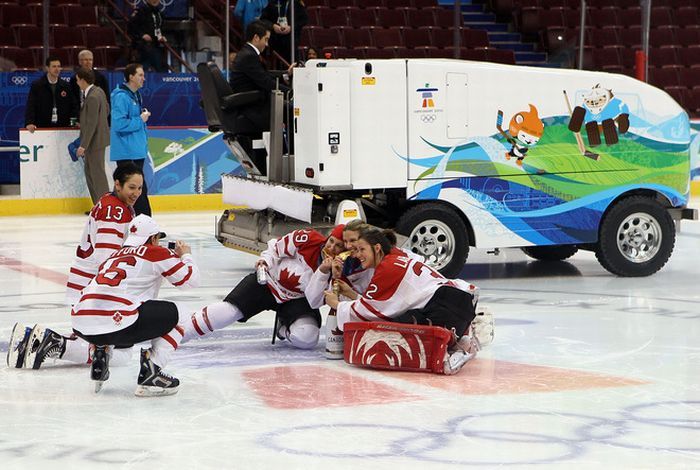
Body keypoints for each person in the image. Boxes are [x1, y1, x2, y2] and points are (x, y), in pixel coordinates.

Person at [7, 164, 144, 371]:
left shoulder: (110, 202)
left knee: (98, 342)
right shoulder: (115, 210)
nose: (136, 193)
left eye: (140, 188)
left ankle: (40, 341)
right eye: (132, 187)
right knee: (119, 355)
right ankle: (53, 343)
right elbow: (106, 258)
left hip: (86, 282)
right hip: (94, 285)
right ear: (118, 184)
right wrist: (110, 291)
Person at [71, 214, 200, 396]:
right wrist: (186, 255)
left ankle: (101, 352)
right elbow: (191, 281)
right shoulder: (155, 252)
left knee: (119, 321)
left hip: (81, 323)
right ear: (153, 238)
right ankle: (152, 371)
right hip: (116, 321)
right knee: (182, 314)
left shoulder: (112, 257)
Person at [324, 227, 481, 374]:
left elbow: (369, 312)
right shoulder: (394, 259)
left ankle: (456, 349)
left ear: (377, 248)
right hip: (456, 302)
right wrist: (352, 294)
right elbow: (390, 304)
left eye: (361, 249)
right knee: (395, 320)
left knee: (384, 332)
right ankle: (462, 335)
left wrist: (337, 305)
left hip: (446, 308)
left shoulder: (387, 268)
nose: (357, 255)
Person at [181, 225, 346, 350]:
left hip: (298, 299)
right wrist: (266, 261)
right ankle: (179, 333)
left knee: (307, 339)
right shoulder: (307, 238)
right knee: (229, 311)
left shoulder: (341, 270)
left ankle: (283, 329)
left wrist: (324, 272)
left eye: (339, 246)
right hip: (267, 283)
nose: (331, 248)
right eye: (331, 241)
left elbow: (314, 300)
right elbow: (275, 248)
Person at [229, 20, 294, 133]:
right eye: (266, 39)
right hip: (252, 108)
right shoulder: (249, 56)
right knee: (291, 111)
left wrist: (286, 73)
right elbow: (266, 82)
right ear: (256, 38)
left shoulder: (247, 53)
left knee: (286, 107)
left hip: (250, 104)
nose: (267, 44)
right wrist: (291, 93)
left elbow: (263, 74)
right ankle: (292, 149)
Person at [111, 63, 152, 216]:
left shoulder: (134, 95)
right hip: (127, 151)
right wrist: (140, 119)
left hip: (135, 150)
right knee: (136, 189)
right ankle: (146, 226)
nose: (144, 78)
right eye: (140, 75)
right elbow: (119, 124)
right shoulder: (121, 97)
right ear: (131, 77)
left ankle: (142, 224)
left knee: (138, 189)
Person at [75, 68, 111, 205]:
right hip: (97, 140)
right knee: (91, 173)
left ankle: (105, 206)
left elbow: (91, 123)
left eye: (78, 80)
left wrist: (83, 145)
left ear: (83, 80)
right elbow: (106, 109)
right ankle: (98, 205)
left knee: (97, 175)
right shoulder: (99, 91)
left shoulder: (92, 97)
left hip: (94, 142)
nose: (77, 83)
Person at [24, 56, 78, 133]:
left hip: (63, 126)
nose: (57, 69)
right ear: (47, 68)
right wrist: (29, 122)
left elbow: (73, 105)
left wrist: (74, 121)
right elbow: (31, 105)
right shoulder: (37, 85)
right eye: (54, 66)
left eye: (59, 66)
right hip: (43, 126)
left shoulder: (66, 86)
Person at [127, 0, 169, 72]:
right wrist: (142, 35)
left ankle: (163, 78)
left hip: (155, 44)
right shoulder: (141, 11)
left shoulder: (160, 13)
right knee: (153, 57)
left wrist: (161, 37)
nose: (155, 1)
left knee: (162, 63)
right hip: (141, 45)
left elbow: (159, 29)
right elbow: (131, 27)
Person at [68, 49, 110, 114]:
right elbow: (72, 101)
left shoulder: (101, 78)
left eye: (90, 60)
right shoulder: (74, 79)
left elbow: (106, 99)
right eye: (85, 60)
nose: (88, 62)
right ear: (80, 62)